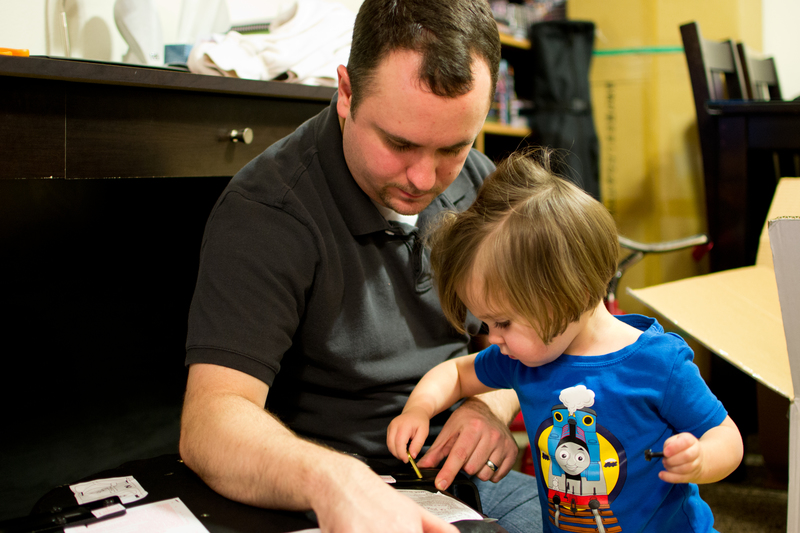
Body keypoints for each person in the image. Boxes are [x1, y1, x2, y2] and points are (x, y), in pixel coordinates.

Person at [179, 0, 542, 532]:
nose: (424, 178)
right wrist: (335, 481)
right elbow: (210, 424)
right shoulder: (269, 211)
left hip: (456, 481)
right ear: (346, 93)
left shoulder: (479, 185)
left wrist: (492, 405)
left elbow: (526, 342)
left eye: (453, 147)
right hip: (320, 490)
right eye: (399, 144)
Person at [387, 150, 744, 532]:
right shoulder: (526, 359)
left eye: (503, 322)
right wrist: (419, 410)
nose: (493, 337)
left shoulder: (658, 364)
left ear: (561, 295)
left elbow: (727, 437)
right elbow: (456, 374)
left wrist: (702, 459)